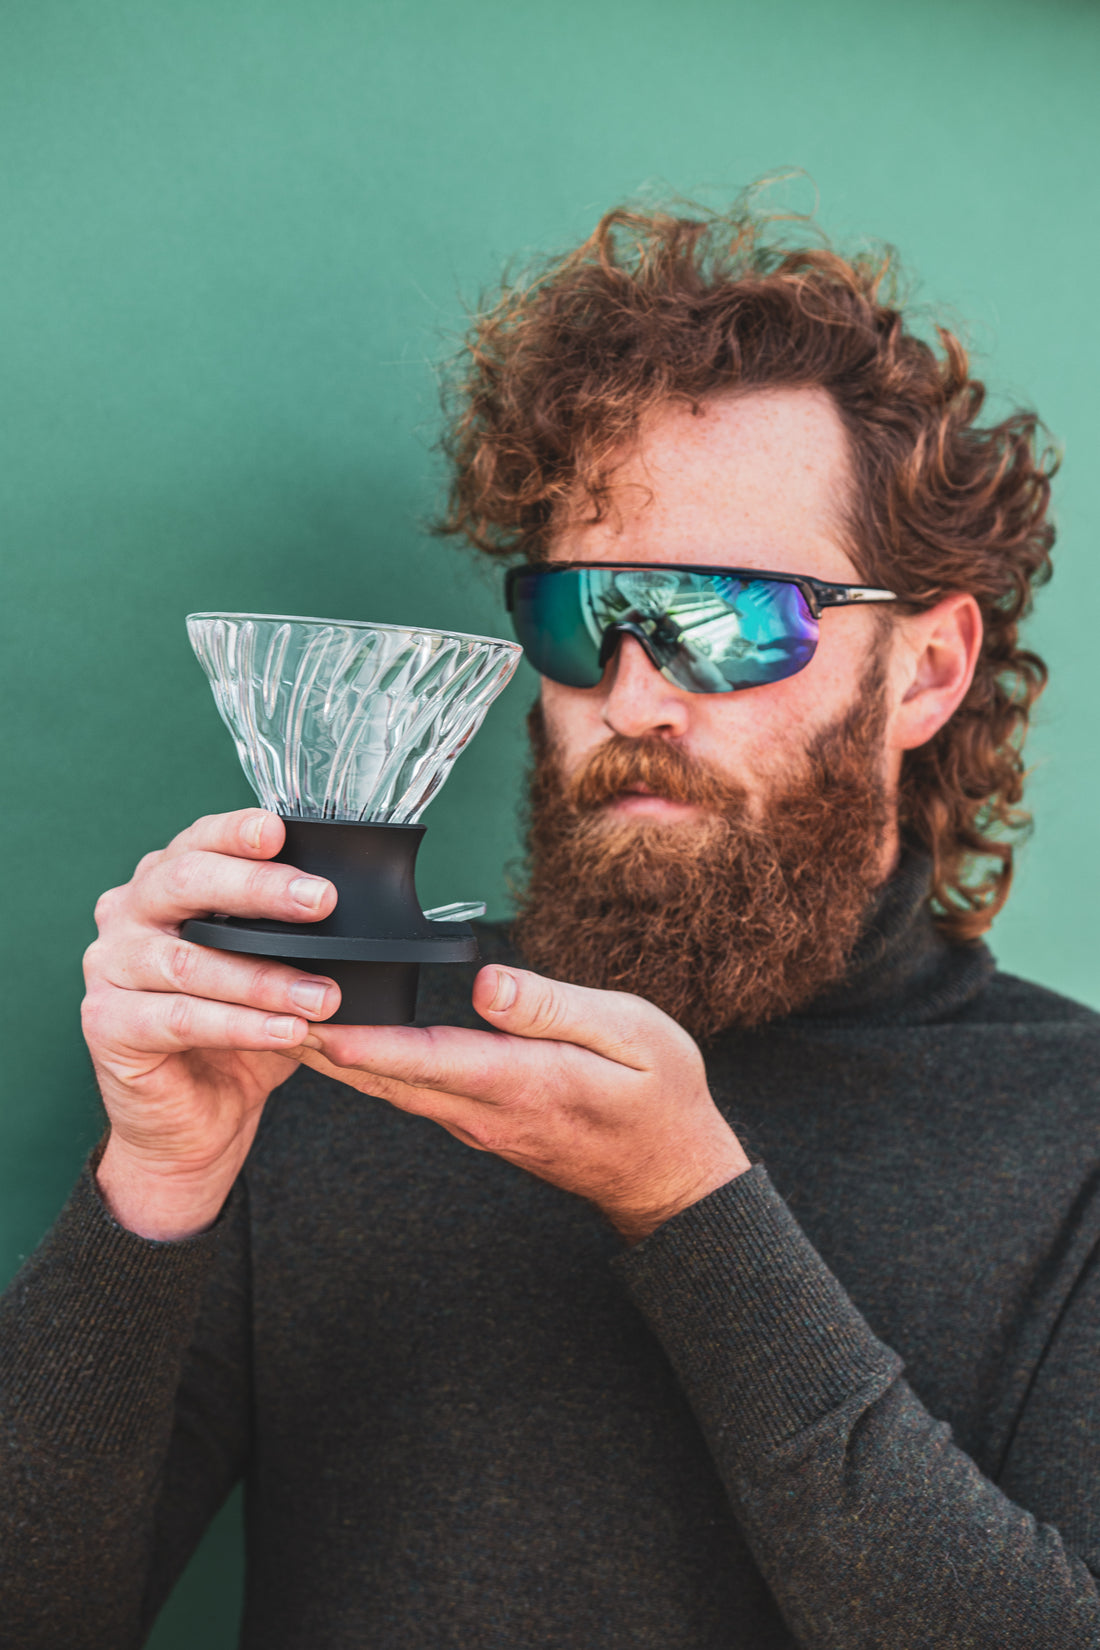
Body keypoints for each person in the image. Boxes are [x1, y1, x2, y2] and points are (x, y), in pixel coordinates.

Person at [2, 201, 1096, 1650]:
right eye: (585, 616)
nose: (636, 697)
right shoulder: (338, 1062)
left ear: (927, 669)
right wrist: (152, 1190)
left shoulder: (1070, 1131)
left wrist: (691, 1203)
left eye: (729, 617)